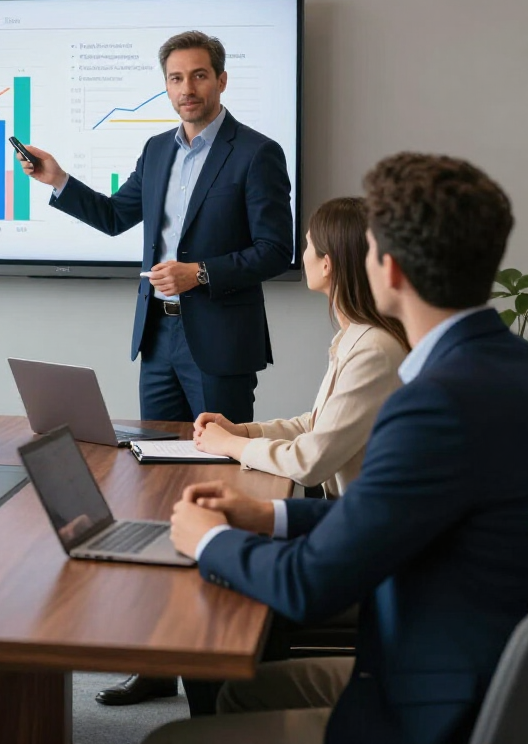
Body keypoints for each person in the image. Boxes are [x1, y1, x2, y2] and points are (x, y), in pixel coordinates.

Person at [154, 153, 528, 744]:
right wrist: (268, 513)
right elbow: (392, 507)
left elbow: (311, 583)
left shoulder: (433, 401)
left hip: (433, 701)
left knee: (167, 739)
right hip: (469, 659)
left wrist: (208, 539)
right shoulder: (504, 366)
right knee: (239, 693)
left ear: (391, 269)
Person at [22, 30, 293, 707]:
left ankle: (210, 657)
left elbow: (275, 251)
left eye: (199, 76)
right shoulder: (154, 149)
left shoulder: (257, 153)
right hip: (158, 340)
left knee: (212, 489)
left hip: (219, 344)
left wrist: (200, 273)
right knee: (153, 495)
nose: (187, 90)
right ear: (165, 85)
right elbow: (118, 218)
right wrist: (58, 181)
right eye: (175, 79)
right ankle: (155, 656)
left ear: (221, 81)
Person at [192, 197, 409, 497]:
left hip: (354, 522)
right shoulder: (356, 337)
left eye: (307, 245)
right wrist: (244, 431)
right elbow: (317, 425)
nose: (303, 255)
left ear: (327, 263)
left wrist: (230, 445)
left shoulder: (374, 349)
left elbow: (310, 461)